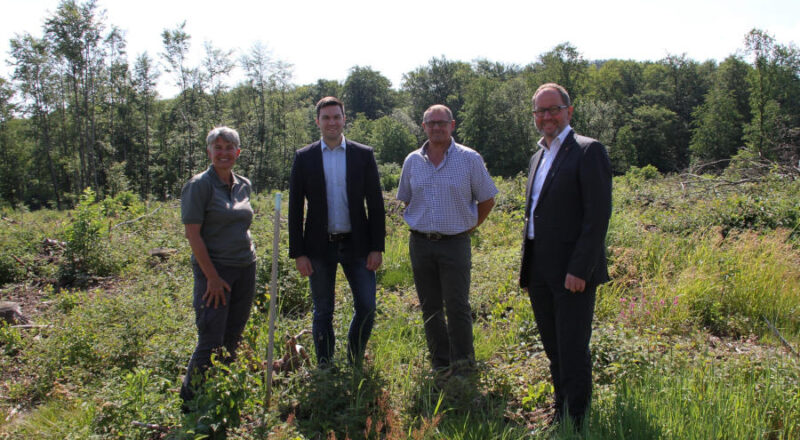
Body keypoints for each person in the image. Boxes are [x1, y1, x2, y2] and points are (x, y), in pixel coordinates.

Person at [519, 83, 612, 427]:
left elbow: (597, 216)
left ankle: (576, 419)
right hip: (540, 270)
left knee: (572, 347)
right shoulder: (537, 156)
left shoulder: (588, 151)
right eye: (540, 111)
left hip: (573, 271)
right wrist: (530, 271)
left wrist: (580, 268)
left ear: (568, 111)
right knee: (553, 347)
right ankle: (560, 409)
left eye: (553, 109)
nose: (546, 116)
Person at [396, 104, 497, 377]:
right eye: (432, 123)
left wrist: (467, 227)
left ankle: (463, 366)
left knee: (457, 305)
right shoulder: (412, 161)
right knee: (429, 306)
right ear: (424, 126)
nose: (437, 127)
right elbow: (405, 197)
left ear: (452, 125)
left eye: (442, 122)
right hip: (420, 244)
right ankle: (440, 363)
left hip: (455, 243)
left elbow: (487, 199)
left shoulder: (469, 159)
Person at [288, 96, 385, 367]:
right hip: (318, 247)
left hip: (359, 245)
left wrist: (377, 246)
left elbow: (375, 204)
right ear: (318, 121)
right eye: (326, 117)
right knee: (323, 311)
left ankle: (354, 360)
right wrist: (299, 253)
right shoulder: (304, 157)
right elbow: (295, 208)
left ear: (344, 119)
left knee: (366, 307)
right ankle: (325, 366)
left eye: (336, 117)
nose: (332, 122)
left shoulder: (362, 154)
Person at [180, 126, 257, 408]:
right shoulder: (199, 185)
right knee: (211, 337)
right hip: (215, 271)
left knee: (233, 333)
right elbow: (193, 234)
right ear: (209, 151)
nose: (224, 153)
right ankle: (190, 403)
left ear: (237, 152)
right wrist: (211, 277)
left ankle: (222, 393)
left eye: (229, 148)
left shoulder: (243, 184)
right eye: (218, 147)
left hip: (245, 267)